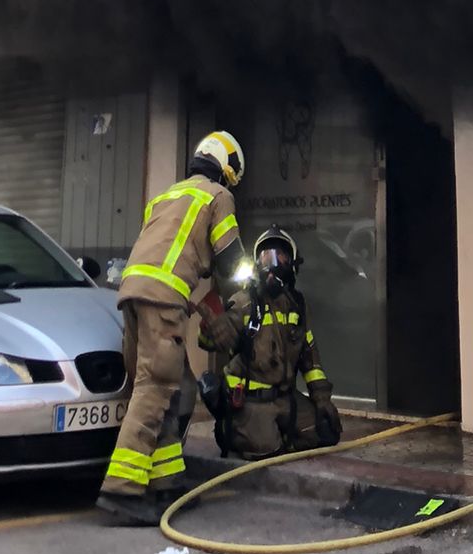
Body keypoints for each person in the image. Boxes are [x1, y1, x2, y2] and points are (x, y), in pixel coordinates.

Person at [98, 130, 248, 526]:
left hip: (132, 297)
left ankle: (167, 482)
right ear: (226, 166)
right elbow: (232, 262)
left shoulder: (166, 197)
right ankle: (121, 489)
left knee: (168, 388)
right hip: (164, 303)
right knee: (155, 388)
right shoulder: (217, 197)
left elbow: (164, 254)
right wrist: (244, 297)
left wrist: (196, 301)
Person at [199, 227, 342, 459]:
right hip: (252, 402)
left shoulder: (297, 305)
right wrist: (211, 331)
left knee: (328, 432)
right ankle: (231, 430)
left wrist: (322, 399)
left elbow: (310, 359)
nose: (272, 264)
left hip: (286, 399)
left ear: (293, 263)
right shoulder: (245, 302)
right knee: (267, 452)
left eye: (280, 257)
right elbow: (208, 342)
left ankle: (281, 434)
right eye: (266, 257)